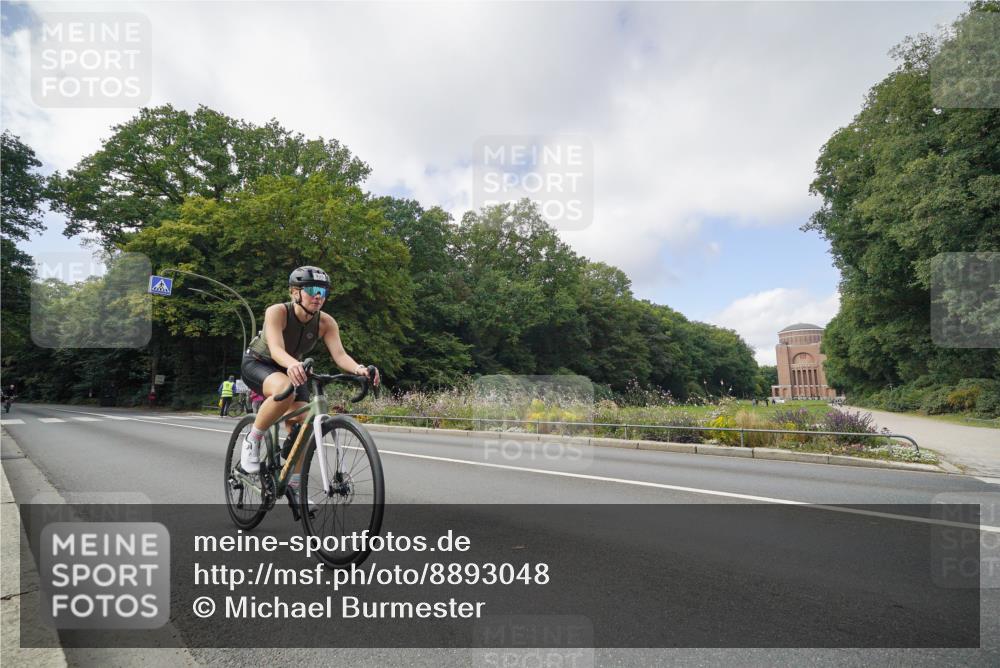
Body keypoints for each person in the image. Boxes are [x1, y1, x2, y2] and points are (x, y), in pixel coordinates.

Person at [239, 266, 379, 502]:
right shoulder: (277, 312)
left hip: (294, 367)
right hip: (259, 362)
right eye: (313, 290)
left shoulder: (326, 322)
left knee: (306, 424)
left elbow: (340, 355)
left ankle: (293, 486)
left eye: (323, 292)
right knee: (285, 388)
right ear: (295, 292)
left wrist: (359, 369)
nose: (318, 296)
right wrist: (293, 364)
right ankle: (253, 439)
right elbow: (276, 349)